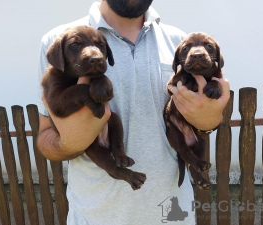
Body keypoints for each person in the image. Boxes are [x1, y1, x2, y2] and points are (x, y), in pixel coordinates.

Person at [37, 0, 230, 224]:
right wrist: (69, 143)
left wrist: (209, 120)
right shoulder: (58, 41)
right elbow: (45, 136)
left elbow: (204, 119)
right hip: (97, 216)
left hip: (173, 214)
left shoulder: (180, 42)